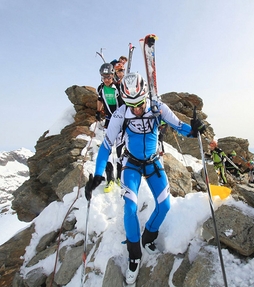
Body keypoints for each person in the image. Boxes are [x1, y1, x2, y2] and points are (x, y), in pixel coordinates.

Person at [85, 72, 206, 285]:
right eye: (132, 105)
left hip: (152, 162)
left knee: (165, 205)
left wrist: (194, 130)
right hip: (131, 164)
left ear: (145, 96)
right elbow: (105, 146)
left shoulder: (158, 108)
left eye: (140, 104)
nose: (137, 109)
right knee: (130, 208)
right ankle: (134, 255)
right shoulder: (121, 114)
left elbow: (179, 126)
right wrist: (97, 174)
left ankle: (148, 237)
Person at [96, 63, 125, 192]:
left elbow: (125, 103)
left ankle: (119, 176)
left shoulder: (118, 87)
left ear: (112, 75)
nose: (106, 80)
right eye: (103, 77)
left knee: (119, 150)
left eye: (108, 77)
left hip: (120, 122)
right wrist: (98, 111)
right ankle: (110, 178)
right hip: (109, 121)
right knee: (107, 150)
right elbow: (100, 100)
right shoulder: (101, 88)